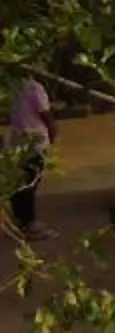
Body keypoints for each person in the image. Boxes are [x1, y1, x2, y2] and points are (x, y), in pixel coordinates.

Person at [7, 77, 53, 234]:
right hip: (35, 141)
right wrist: (53, 134)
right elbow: (45, 114)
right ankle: (29, 223)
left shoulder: (12, 85)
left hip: (16, 140)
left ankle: (20, 218)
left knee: (19, 181)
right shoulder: (35, 88)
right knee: (31, 180)